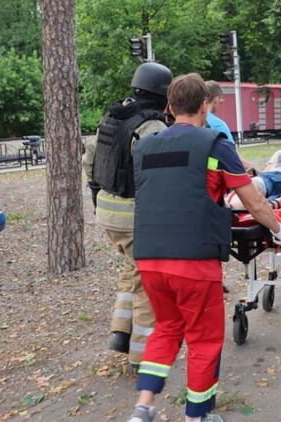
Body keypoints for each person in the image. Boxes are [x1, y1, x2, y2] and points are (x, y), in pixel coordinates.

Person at [127, 73, 281, 422]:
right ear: (204, 106)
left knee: (166, 327)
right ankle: (197, 416)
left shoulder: (145, 146)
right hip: (193, 259)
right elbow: (254, 202)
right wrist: (280, 231)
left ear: (170, 107)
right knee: (203, 340)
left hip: (150, 258)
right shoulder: (215, 145)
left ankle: (144, 405)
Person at [81, 62, 172, 367]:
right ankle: (142, 356)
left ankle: (120, 332)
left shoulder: (112, 116)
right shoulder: (152, 126)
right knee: (148, 282)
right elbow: (160, 178)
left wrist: (97, 198)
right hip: (135, 217)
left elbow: (90, 163)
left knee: (131, 269)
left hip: (107, 211)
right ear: (162, 93)